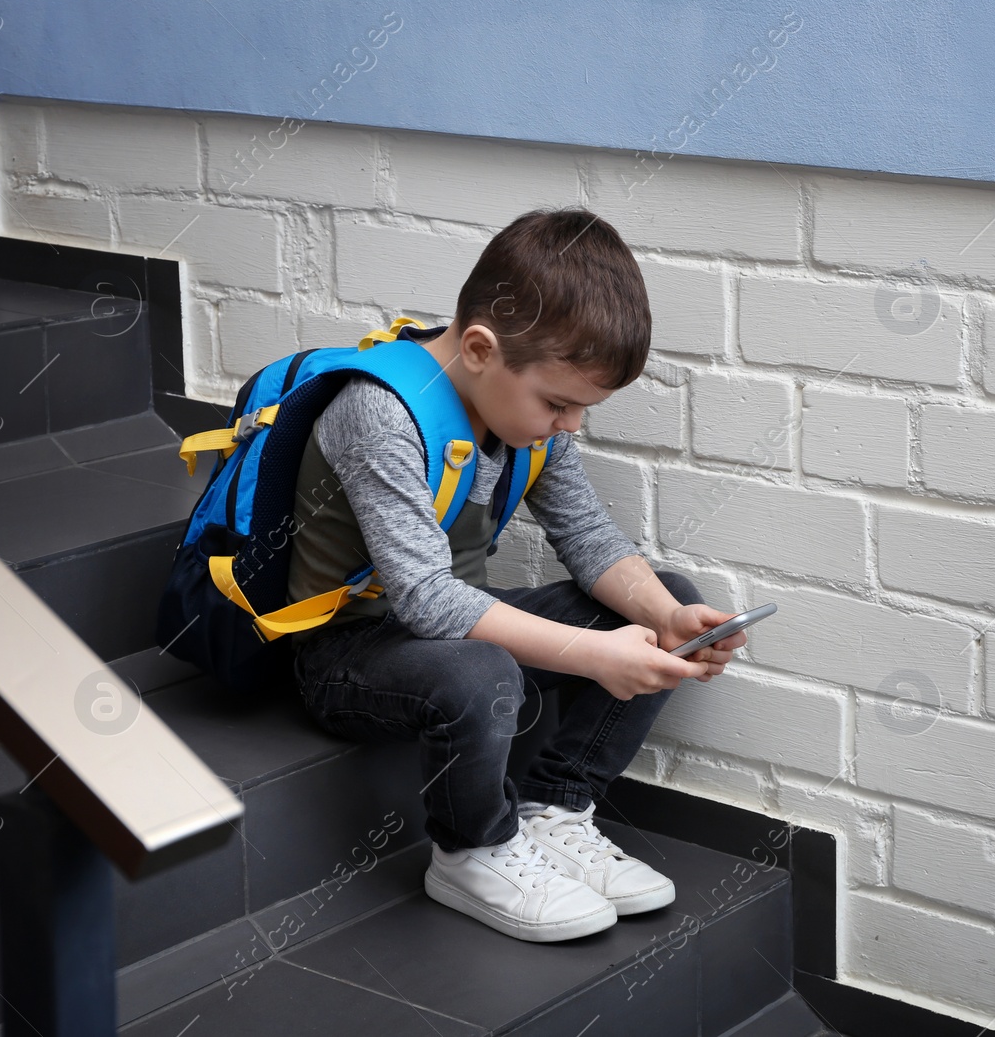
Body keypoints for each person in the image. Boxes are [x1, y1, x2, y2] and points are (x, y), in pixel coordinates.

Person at [284, 207, 745, 943]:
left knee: (669, 599)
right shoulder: (380, 412)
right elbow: (425, 599)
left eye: (581, 409)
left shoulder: (528, 419)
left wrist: (663, 615)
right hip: (346, 649)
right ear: (478, 349)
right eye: (560, 404)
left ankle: (557, 808)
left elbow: (588, 538)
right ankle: (473, 849)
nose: (570, 426)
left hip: (450, 624)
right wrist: (598, 656)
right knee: (482, 671)